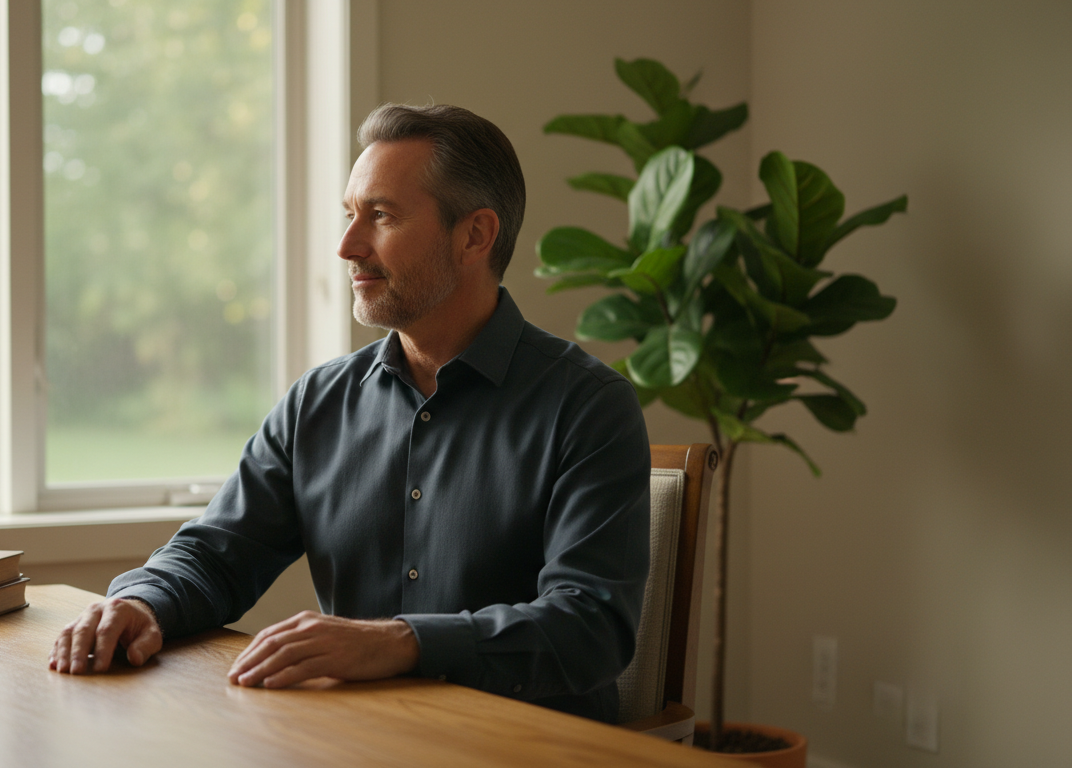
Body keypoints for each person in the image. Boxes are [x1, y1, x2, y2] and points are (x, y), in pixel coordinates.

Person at [49, 104, 651, 723]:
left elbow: (591, 627)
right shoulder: (318, 402)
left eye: (381, 216)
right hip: (358, 741)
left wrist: (400, 642)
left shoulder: (589, 407)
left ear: (474, 235)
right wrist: (142, 601)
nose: (347, 246)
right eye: (349, 215)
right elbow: (217, 554)